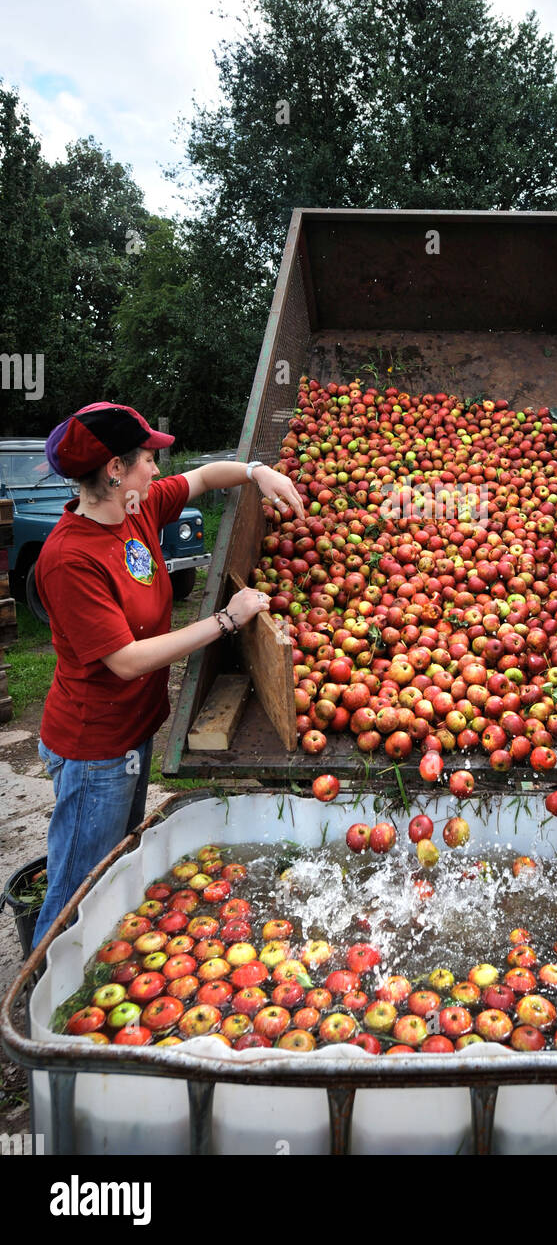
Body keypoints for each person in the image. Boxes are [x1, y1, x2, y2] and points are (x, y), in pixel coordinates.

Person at [31, 402, 303, 947]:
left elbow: (203, 477)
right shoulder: (69, 558)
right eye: (147, 458)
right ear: (114, 469)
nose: (157, 468)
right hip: (94, 749)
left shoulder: (135, 509)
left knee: (117, 875)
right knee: (77, 894)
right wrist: (226, 620)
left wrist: (256, 472)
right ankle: (37, 1008)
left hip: (132, 733)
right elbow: (127, 660)